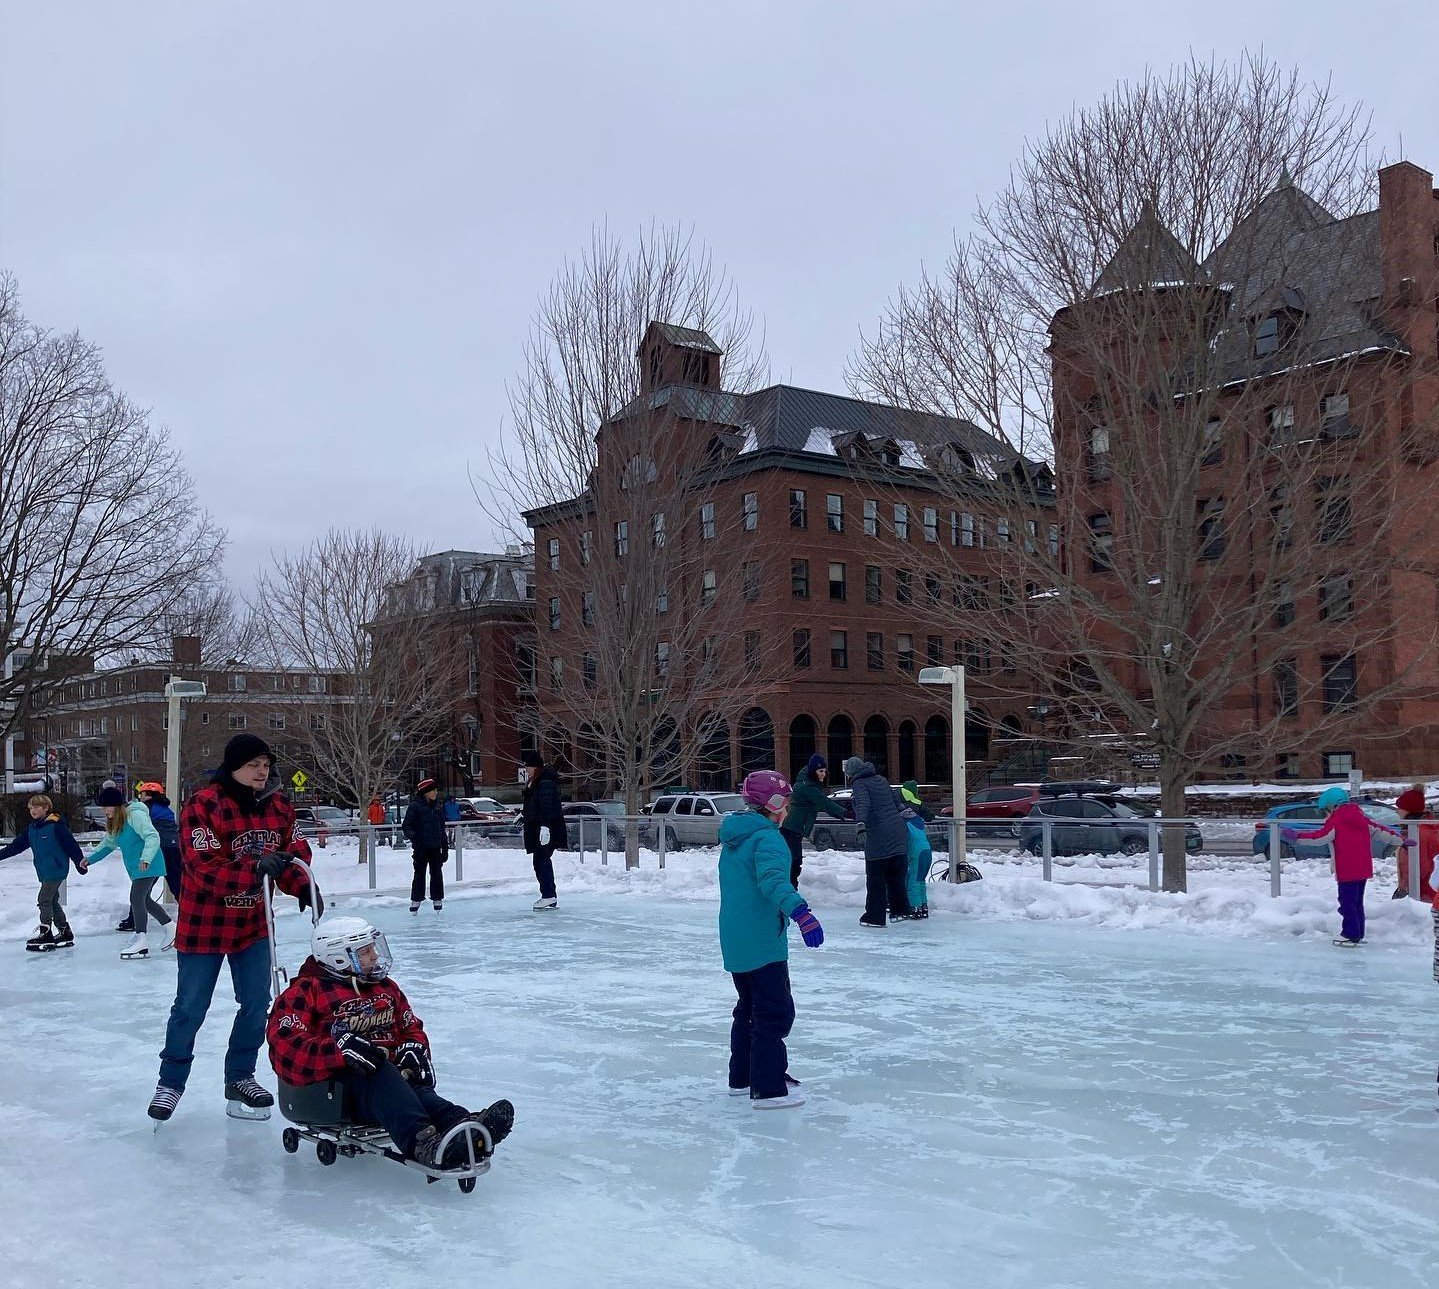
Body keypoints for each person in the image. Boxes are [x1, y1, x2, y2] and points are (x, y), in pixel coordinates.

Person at [148, 733, 315, 1124]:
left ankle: (240, 1077)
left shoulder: (280, 807)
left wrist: (302, 885)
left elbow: (294, 853)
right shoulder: (203, 805)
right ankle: (170, 1082)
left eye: (266, 764)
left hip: (253, 926)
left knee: (257, 1003)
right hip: (204, 926)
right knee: (190, 1008)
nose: (263, 771)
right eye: (254, 764)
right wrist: (254, 868)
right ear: (234, 766)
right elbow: (201, 865)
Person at [267, 916, 514, 1168]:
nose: (375, 956)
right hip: (333, 1093)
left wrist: (414, 1048)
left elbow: (410, 1026)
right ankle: (423, 1145)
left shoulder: (385, 988)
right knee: (380, 1069)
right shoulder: (306, 992)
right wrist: (339, 1050)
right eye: (365, 952)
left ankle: (462, 1126)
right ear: (338, 957)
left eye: (374, 949)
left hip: (387, 1085)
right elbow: (285, 1048)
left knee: (411, 1087)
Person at [718, 770, 824, 1110]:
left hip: (737, 938)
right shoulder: (768, 839)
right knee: (774, 1013)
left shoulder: (737, 837)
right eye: (787, 801)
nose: (789, 808)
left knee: (748, 1009)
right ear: (774, 803)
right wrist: (802, 914)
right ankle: (768, 1087)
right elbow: (774, 883)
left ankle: (744, 1077)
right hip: (763, 941)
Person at [1283, 785, 1412, 947]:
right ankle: (1358, 933)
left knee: (1347, 902)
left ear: (1332, 805)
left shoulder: (1336, 820)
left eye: (1326, 809)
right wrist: (1401, 841)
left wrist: (1297, 836)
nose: (1326, 812)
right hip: (1363, 867)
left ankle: (1350, 934)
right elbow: (1380, 830)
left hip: (1346, 868)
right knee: (1356, 902)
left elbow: (1320, 837)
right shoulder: (1360, 816)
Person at [87, 784, 173, 960]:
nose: (104, 811)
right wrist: (90, 859)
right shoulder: (117, 822)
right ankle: (171, 928)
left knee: (136, 898)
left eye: (105, 807)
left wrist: (146, 858)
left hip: (149, 864)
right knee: (145, 901)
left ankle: (141, 939)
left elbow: (152, 835)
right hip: (139, 867)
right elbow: (109, 843)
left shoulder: (135, 814)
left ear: (115, 805)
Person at [0, 794, 88, 951]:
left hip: (57, 869)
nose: (33, 810)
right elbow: (16, 846)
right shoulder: (33, 829)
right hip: (43, 870)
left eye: (36, 807)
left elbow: (71, 845)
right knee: (53, 901)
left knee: (44, 899)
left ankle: (45, 933)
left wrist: (79, 862)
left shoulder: (56, 826)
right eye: (30, 808)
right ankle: (64, 931)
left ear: (46, 808)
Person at [842, 757, 915, 927]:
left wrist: (860, 823)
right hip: (897, 832)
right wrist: (905, 812)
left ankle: (874, 917)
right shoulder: (881, 779)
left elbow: (863, 804)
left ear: (852, 773)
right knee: (896, 876)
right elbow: (896, 800)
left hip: (879, 835)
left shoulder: (860, 784)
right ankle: (900, 911)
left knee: (876, 878)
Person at [779, 754, 848, 889]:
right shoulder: (806, 786)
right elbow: (823, 802)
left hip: (796, 828)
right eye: (820, 771)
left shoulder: (810, 784)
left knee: (793, 860)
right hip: (791, 828)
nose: (824, 774)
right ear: (813, 771)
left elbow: (822, 805)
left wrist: (841, 815)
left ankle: (789, 889)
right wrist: (846, 813)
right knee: (794, 860)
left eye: (824, 771)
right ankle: (789, 890)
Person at [521, 752, 567, 911]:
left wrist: (546, 826)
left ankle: (549, 895)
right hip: (539, 827)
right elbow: (534, 803)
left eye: (528, 767)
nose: (526, 770)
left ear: (535, 767)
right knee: (540, 861)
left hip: (546, 829)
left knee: (542, 861)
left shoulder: (545, 782)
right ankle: (549, 896)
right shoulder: (537, 781)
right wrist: (523, 815)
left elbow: (547, 805)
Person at [402, 778, 449, 913]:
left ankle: (437, 898)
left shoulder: (437, 806)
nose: (435, 792)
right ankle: (416, 900)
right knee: (419, 874)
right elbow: (406, 826)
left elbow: (442, 828)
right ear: (426, 792)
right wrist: (416, 838)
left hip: (435, 846)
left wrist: (444, 848)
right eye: (433, 790)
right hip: (421, 847)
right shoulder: (415, 806)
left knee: (436, 873)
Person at [136, 781, 183, 899]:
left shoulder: (146, 809)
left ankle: (134, 915)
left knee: (144, 883)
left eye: (143, 794)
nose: (141, 797)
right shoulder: (166, 809)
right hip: (174, 847)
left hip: (158, 848)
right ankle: (187, 912)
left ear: (151, 795)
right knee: (176, 884)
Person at [1392, 785, 1437, 900]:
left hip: (1421, 896)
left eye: (1400, 807)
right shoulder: (1418, 829)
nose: (1397, 811)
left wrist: (1406, 889)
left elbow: (1420, 867)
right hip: (1419, 893)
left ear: (1409, 810)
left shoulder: (1419, 834)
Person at [898, 781, 935, 920]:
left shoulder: (903, 822)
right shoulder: (918, 819)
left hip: (916, 853)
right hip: (927, 851)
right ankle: (923, 907)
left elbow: (906, 841)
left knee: (912, 881)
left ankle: (915, 908)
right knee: (921, 880)